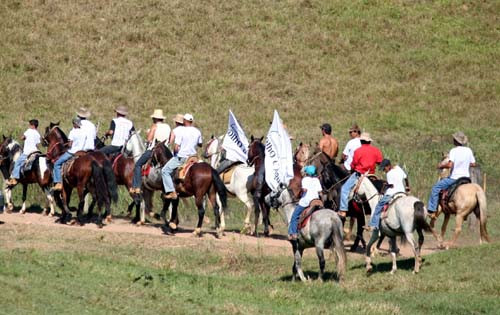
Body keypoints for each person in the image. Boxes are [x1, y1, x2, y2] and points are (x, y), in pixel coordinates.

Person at [427, 131, 476, 218]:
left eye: (454, 139)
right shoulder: (469, 150)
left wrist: (441, 165)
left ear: (456, 141)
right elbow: (473, 164)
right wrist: (464, 163)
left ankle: (432, 210)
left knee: (436, 188)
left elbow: (450, 165)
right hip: (466, 179)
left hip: (455, 178)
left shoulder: (453, 151)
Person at [338, 132, 383, 218]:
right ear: (369, 142)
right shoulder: (376, 150)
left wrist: (352, 169)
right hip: (371, 174)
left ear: (361, 141)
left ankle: (343, 210)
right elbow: (380, 162)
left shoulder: (358, 151)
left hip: (359, 174)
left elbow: (353, 165)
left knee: (344, 189)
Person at [161, 113, 202, 199]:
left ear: (184, 121)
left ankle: (171, 191)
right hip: (194, 157)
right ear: (191, 121)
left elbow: (176, 147)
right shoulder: (197, 131)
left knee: (165, 170)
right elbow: (200, 144)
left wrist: (175, 153)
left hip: (182, 157)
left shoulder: (181, 131)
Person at [130, 109, 171, 194]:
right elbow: (170, 140)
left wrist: (148, 134)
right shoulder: (168, 127)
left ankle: (137, 186)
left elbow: (149, 140)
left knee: (138, 164)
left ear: (155, 119)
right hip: (166, 151)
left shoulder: (154, 126)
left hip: (154, 150)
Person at [367, 159, 410, 231]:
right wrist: (407, 187)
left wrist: (383, 188)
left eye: (384, 168)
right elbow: (406, 178)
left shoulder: (389, 174)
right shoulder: (399, 168)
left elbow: (390, 186)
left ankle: (373, 225)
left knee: (378, 206)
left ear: (388, 166)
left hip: (392, 193)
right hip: (402, 192)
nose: (384, 170)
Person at [288, 165, 323, 240]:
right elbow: (320, 192)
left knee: (295, 216)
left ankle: (293, 233)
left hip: (306, 201)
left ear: (307, 172)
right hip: (316, 200)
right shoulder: (317, 180)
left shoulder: (305, 179)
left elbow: (304, 190)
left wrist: (301, 189)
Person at [52, 117, 87, 191]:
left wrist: (66, 145)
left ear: (74, 124)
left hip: (72, 152)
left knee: (57, 164)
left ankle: (58, 183)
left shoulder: (72, 132)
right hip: (82, 151)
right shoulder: (84, 132)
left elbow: (70, 145)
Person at [7, 119, 41, 186]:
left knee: (17, 163)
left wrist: (22, 137)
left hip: (27, 152)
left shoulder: (29, 131)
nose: (29, 126)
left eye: (30, 125)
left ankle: (15, 179)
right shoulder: (38, 134)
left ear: (33, 125)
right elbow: (37, 145)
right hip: (36, 152)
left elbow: (22, 138)